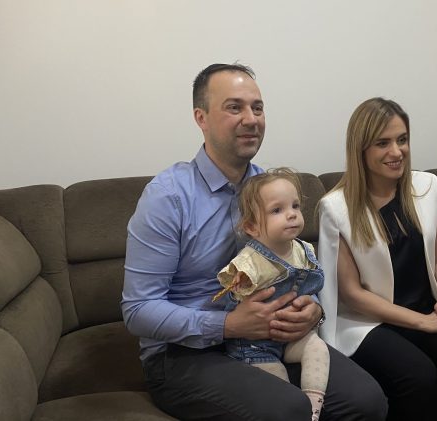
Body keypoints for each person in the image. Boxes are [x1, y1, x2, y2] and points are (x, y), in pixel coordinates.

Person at [121, 63, 387, 421]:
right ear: (201, 117)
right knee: (287, 409)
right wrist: (229, 326)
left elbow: (296, 264)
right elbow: (138, 309)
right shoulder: (167, 197)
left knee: (367, 401)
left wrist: (313, 310)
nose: (251, 119)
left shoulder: (273, 191)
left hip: (271, 339)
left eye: (257, 108)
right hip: (184, 353)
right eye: (235, 107)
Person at [317, 97, 437, 421]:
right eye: (383, 143)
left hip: (428, 308)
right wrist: (421, 322)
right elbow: (351, 294)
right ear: (361, 149)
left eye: (402, 139)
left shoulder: (427, 187)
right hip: (369, 323)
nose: (397, 151)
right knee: (418, 376)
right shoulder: (337, 207)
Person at [214, 168, 329, 421]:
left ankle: (313, 411)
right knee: (280, 389)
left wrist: (313, 306)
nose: (292, 214)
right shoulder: (250, 262)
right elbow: (230, 295)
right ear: (251, 227)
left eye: (295, 206)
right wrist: (240, 284)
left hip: (293, 335)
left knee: (318, 349)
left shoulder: (303, 250)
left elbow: (313, 289)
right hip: (256, 346)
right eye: (277, 210)